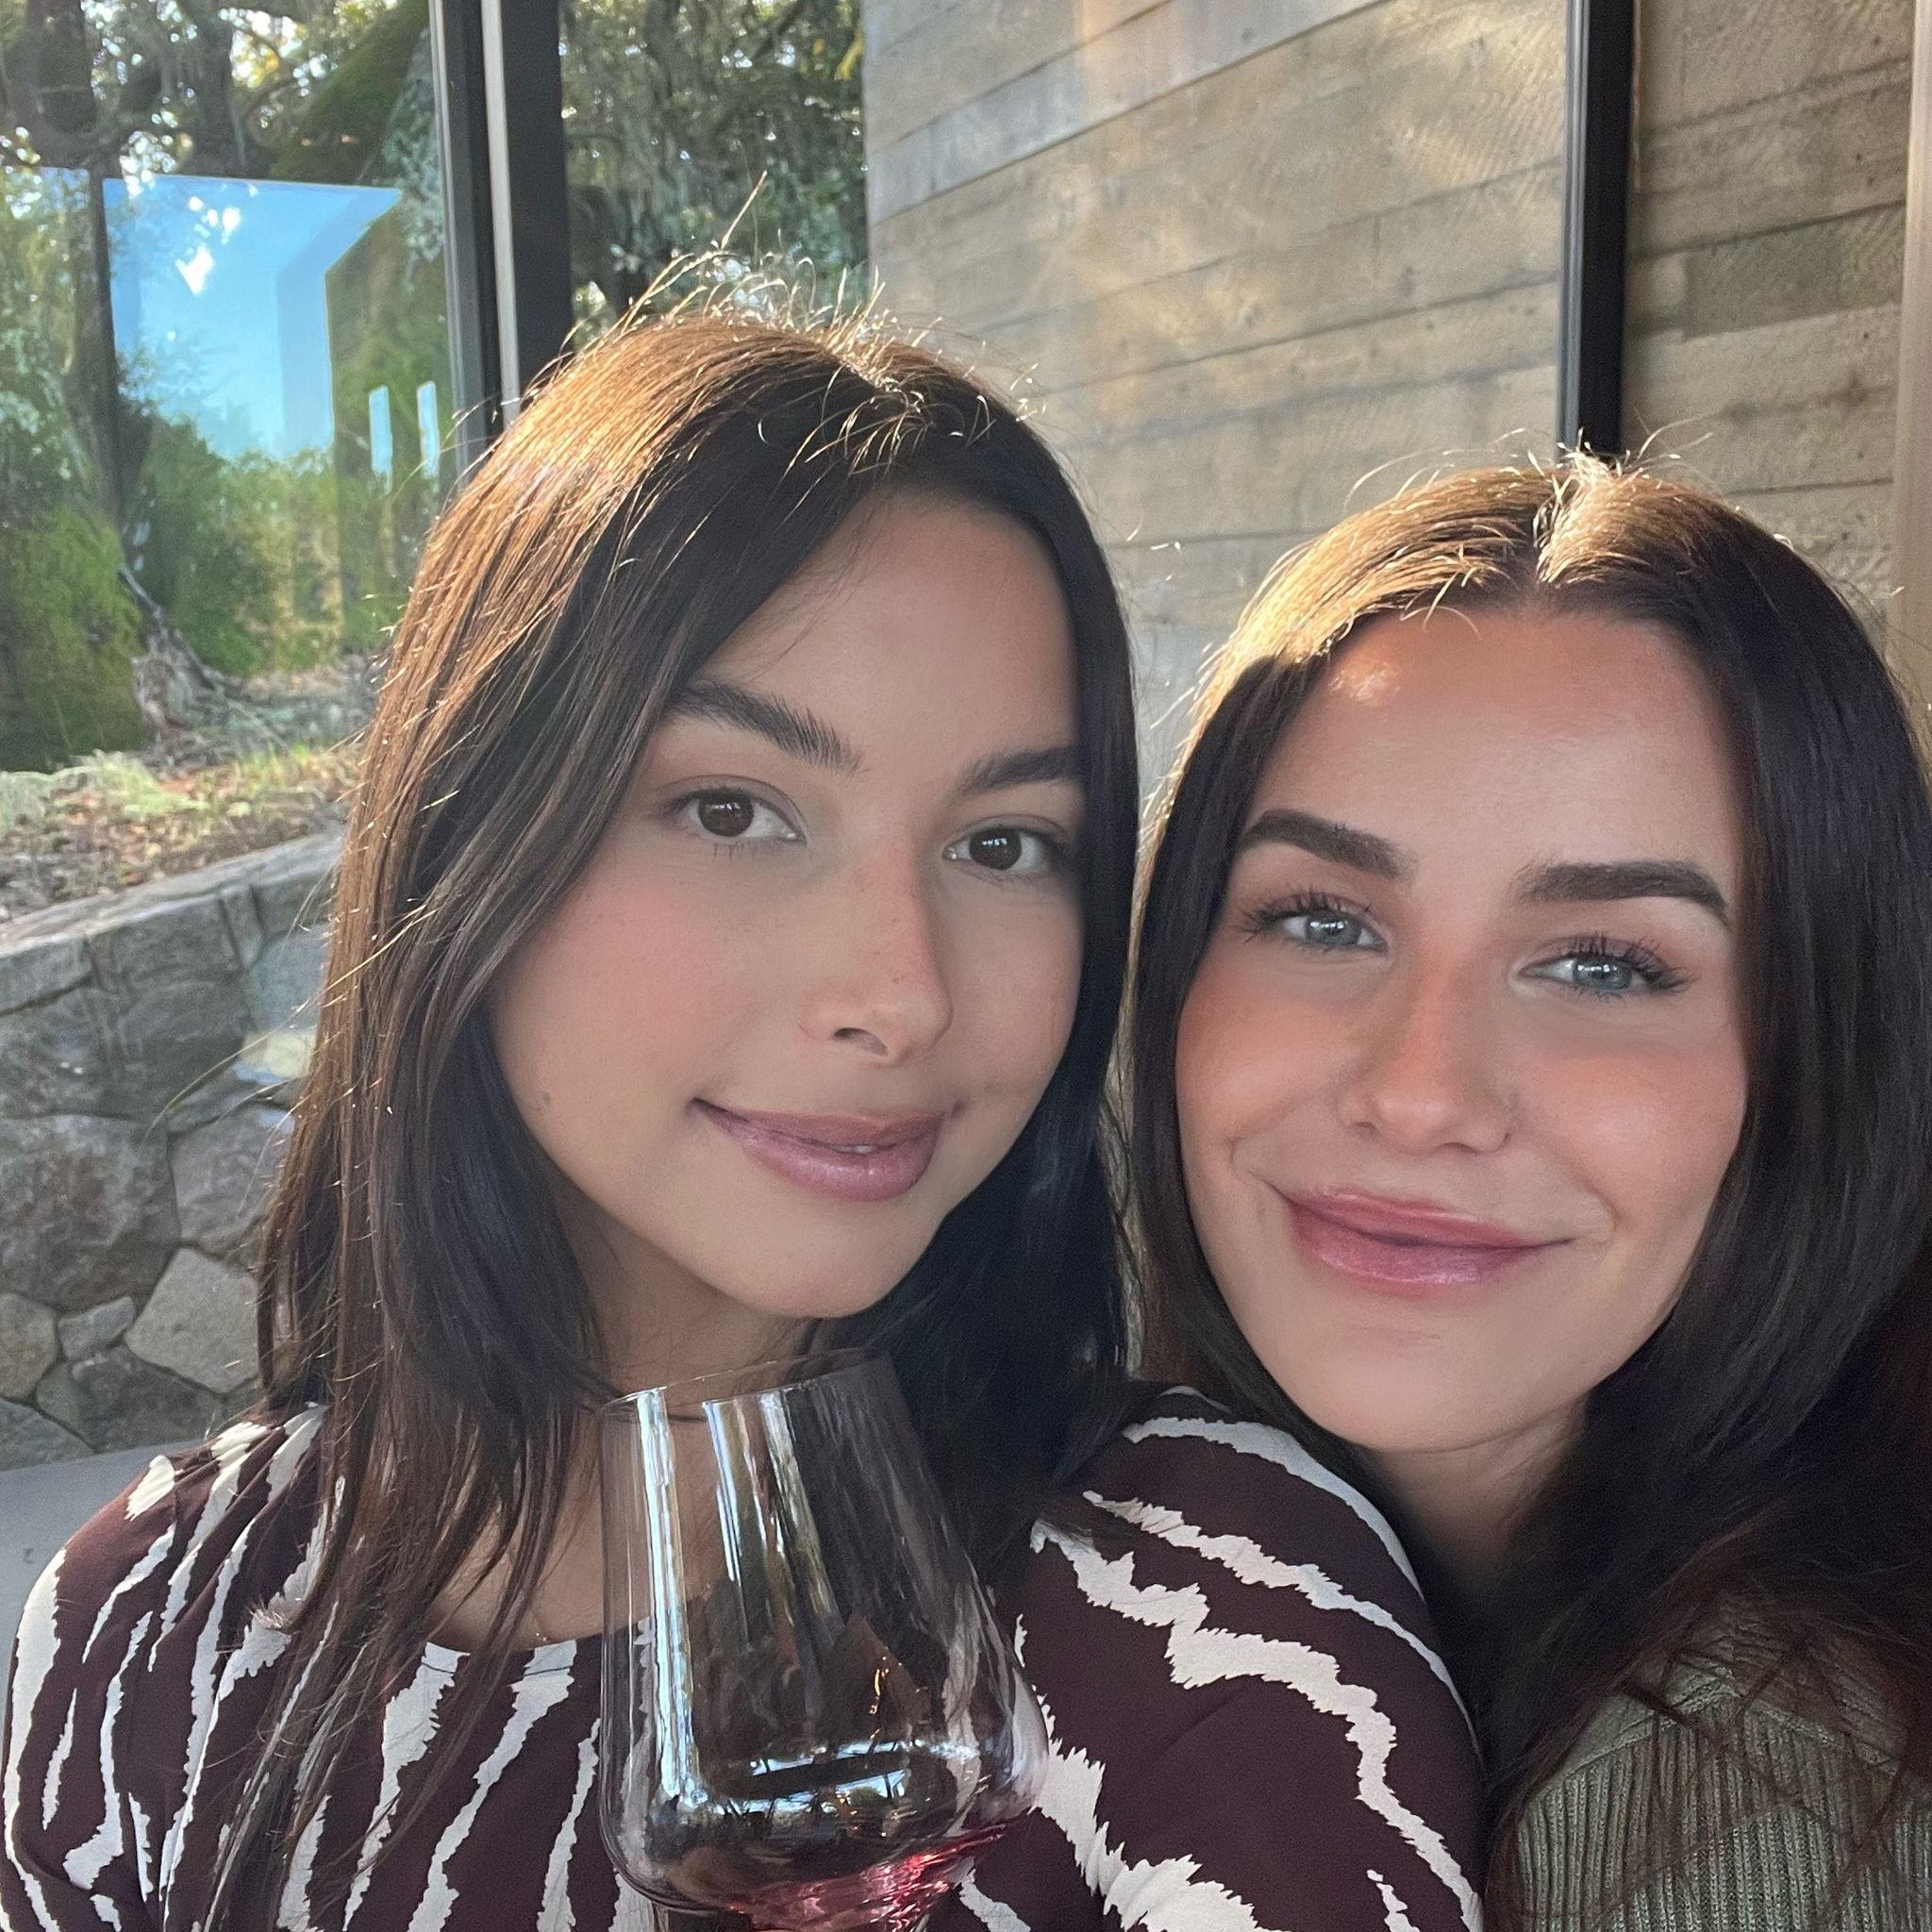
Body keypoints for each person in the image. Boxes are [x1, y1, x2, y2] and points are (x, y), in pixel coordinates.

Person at [2, 308, 1480, 1931]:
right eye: (734, 809)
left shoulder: (1209, 1602)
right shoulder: (147, 1628)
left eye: (1003, 844)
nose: (902, 995)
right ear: (469, 838)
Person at [1130, 456, 1932, 1928]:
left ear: (1819, 1061)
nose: (1420, 1092)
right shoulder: (1107, 1556)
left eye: (1604, 964)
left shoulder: (1755, 1799)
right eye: (1321, 920)